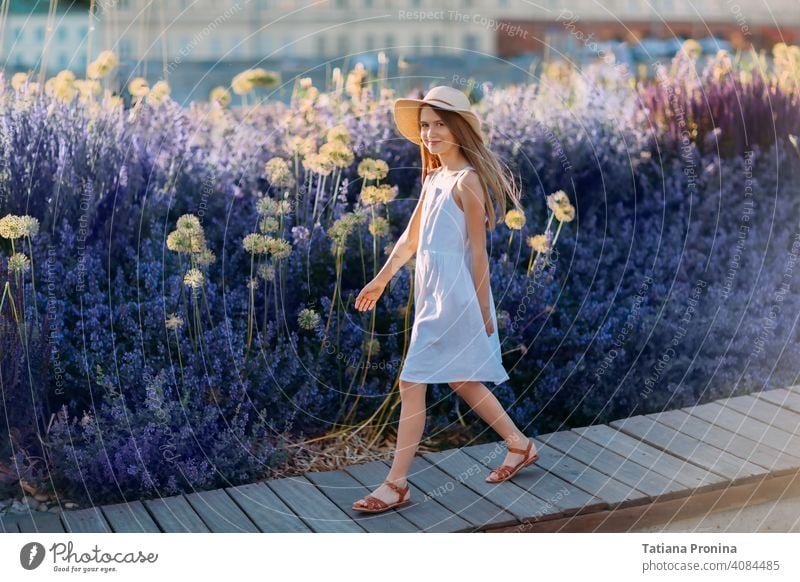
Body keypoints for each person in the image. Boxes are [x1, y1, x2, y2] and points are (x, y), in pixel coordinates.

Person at [351, 86, 539, 514]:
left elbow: (477, 251)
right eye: (424, 126)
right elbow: (411, 239)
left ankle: (396, 484)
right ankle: (519, 445)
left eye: (439, 124)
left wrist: (483, 309)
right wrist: (381, 279)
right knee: (462, 379)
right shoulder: (435, 178)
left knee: (411, 381)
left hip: (455, 298)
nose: (430, 133)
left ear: (457, 128)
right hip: (432, 295)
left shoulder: (468, 181)